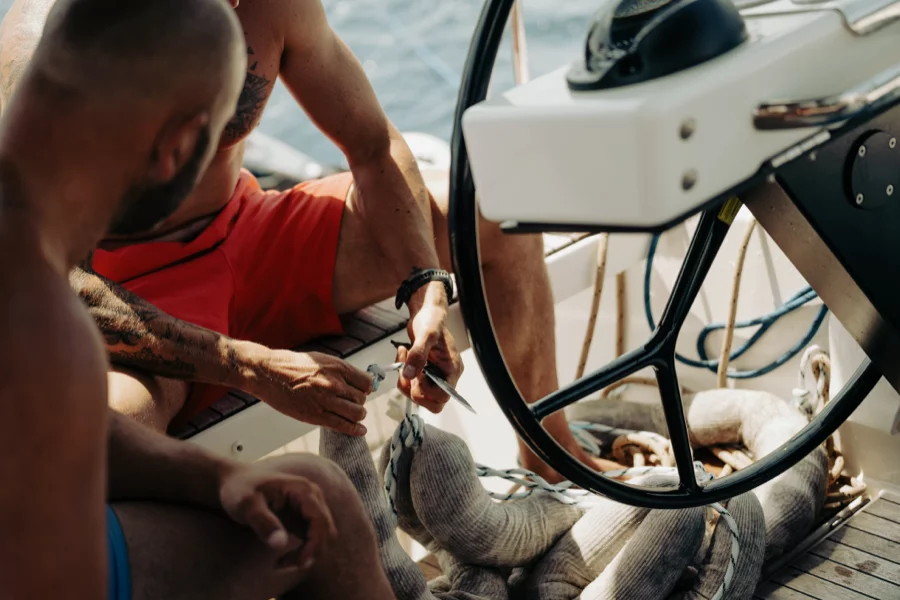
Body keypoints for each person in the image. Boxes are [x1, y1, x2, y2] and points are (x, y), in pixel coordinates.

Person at [0, 0, 608, 483]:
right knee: (102, 428)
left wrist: (426, 286)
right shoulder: (47, 47)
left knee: (491, 212)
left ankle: (551, 460)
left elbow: (372, 145)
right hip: (125, 289)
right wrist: (250, 365)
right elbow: (42, 272)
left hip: (249, 229)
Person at [0, 0, 397, 598]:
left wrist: (215, 478)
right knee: (326, 515)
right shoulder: (48, 321)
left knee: (320, 497)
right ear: (178, 147)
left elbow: (77, 434)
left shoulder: (33, 277)